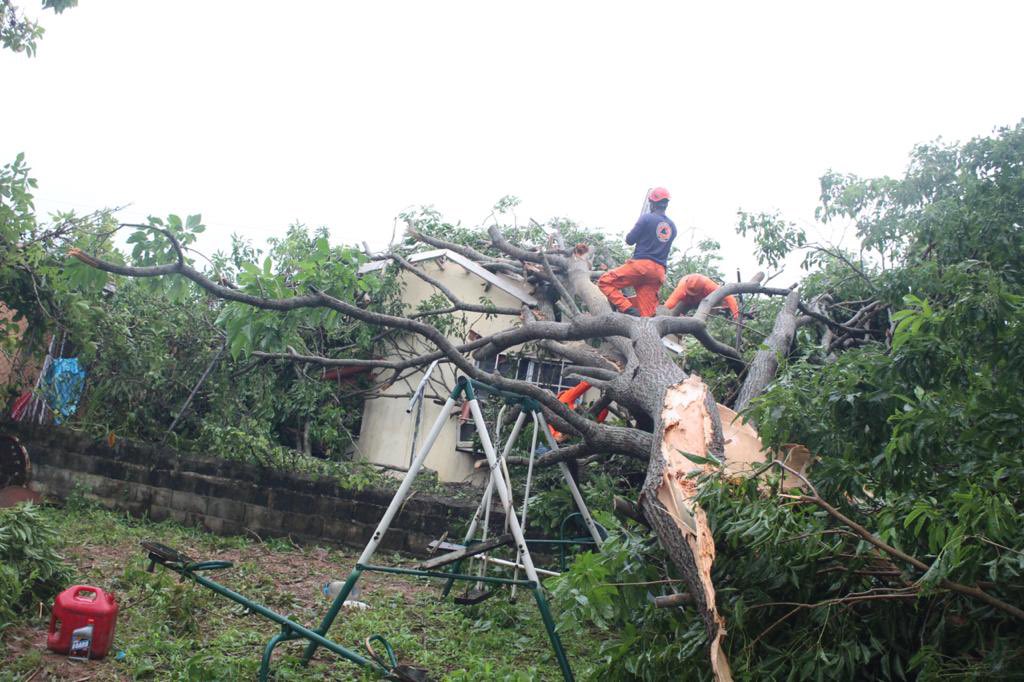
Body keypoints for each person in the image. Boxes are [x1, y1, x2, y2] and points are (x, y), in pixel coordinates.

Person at [597, 187, 677, 317]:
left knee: (605, 281)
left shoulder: (646, 218)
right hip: (658, 273)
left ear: (652, 202)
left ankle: (628, 309)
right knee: (647, 316)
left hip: (641, 266)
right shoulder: (673, 227)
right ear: (666, 204)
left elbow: (629, 240)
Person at [664, 273, 740, 319]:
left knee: (702, 317)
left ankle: (719, 311)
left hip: (705, 301)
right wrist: (659, 313)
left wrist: (736, 315)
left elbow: (729, 297)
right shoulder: (681, 288)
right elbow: (669, 303)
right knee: (673, 315)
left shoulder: (709, 286)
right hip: (686, 302)